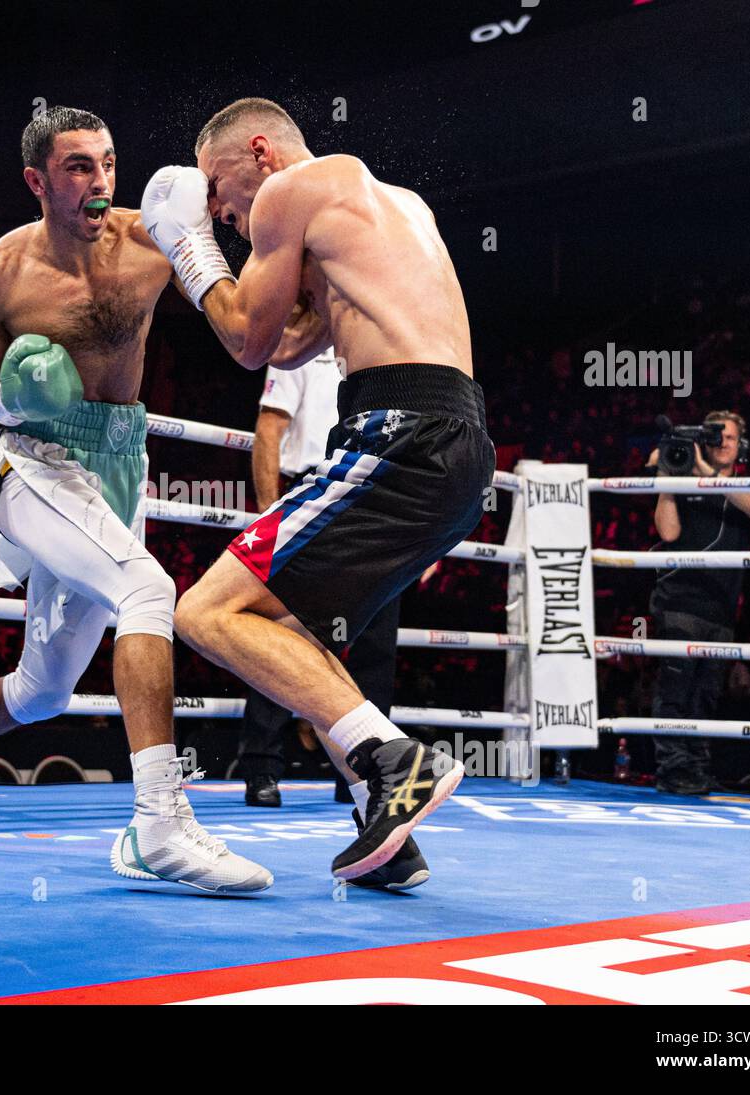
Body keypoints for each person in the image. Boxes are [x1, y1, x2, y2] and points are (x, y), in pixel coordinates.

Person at [0, 107, 270, 893]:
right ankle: (157, 825)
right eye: (78, 168)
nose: (100, 182)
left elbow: (243, 274)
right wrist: (15, 397)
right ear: (37, 180)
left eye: (107, 163)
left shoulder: (152, 239)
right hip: (31, 464)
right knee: (149, 588)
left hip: (119, 467)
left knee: (40, 691)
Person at [140, 98, 494, 882]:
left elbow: (247, 342)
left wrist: (190, 254)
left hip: (398, 434)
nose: (221, 210)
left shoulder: (287, 192)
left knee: (204, 610)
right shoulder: (391, 206)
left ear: (259, 151)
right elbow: (298, 342)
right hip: (456, 446)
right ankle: (385, 819)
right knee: (290, 627)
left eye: (216, 185)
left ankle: (394, 760)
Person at [240, 350, 405, 826]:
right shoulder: (296, 352)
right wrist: (274, 515)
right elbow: (269, 430)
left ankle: (366, 771)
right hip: (313, 491)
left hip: (375, 496)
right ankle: (262, 768)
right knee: (283, 635)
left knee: (374, 641)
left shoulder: (374, 355)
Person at [647, 410, 750, 794]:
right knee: (675, 691)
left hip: (722, 607)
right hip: (680, 600)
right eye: (716, 437)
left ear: (741, 444)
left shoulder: (744, 485)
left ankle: (695, 768)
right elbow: (668, 530)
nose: (723, 443)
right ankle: (672, 770)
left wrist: (707, 474)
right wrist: (668, 479)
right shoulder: (684, 478)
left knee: (706, 696)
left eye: (729, 437)